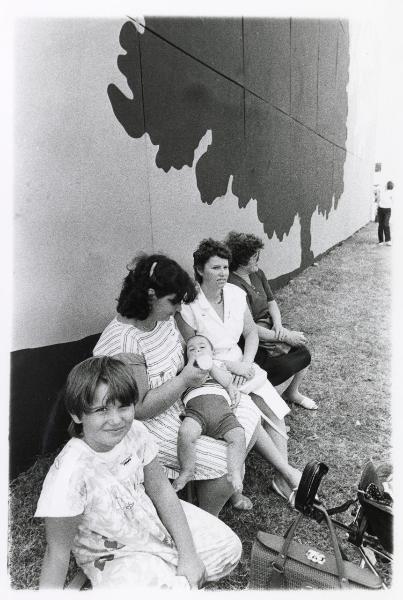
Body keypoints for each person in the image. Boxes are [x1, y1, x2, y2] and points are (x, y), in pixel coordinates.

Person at [35, 356, 242, 590]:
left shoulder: (137, 431)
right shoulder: (69, 474)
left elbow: (162, 492)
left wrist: (189, 555)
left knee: (229, 548)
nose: (116, 420)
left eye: (123, 406)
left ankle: (175, 576)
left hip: (151, 521)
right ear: (77, 414)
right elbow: (57, 552)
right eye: (101, 409)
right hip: (111, 552)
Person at [176, 239, 302, 506]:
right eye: (215, 267)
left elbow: (251, 332)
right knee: (253, 413)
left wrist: (245, 362)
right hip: (211, 374)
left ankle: (283, 478)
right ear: (200, 270)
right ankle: (288, 474)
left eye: (225, 267)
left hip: (241, 362)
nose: (222, 273)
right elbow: (196, 351)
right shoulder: (188, 305)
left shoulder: (235, 293)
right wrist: (228, 369)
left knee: (273, 410)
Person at [225, 231, 317, 410]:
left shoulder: (257, 274)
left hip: (269, 329)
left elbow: (271, 301)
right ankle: (265, 400)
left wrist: (279, 326)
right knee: (284, 362)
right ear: (243, 260)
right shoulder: (232, 284)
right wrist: (283, 337)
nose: (258, 258)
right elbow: (248, 328)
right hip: (251, 339)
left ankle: (292, 392)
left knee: (303, 350)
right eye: (255, 255)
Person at [173, 334, 246, 494]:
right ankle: (187, 470)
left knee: (239, 436)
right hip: (196, 413)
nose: (197, 351)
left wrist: (211, 366)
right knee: (185, 433)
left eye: (202, 347)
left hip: (223, 414)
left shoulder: (218, 365)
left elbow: (227, 381)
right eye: (192, 349)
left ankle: (234, 472)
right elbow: (179, 387)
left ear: (212, 353)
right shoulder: (186, 371)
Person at [376, 181, 394, 246]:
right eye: (387, 185)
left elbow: (393, 201)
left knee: (386, 224)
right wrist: (377, 208)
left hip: (387, 210)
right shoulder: (381, 191)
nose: (387, 186)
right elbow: (378, 199)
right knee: (380, 225)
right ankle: (380, 241)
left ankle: (388, 240)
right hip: (380, 209)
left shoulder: (392, 192)